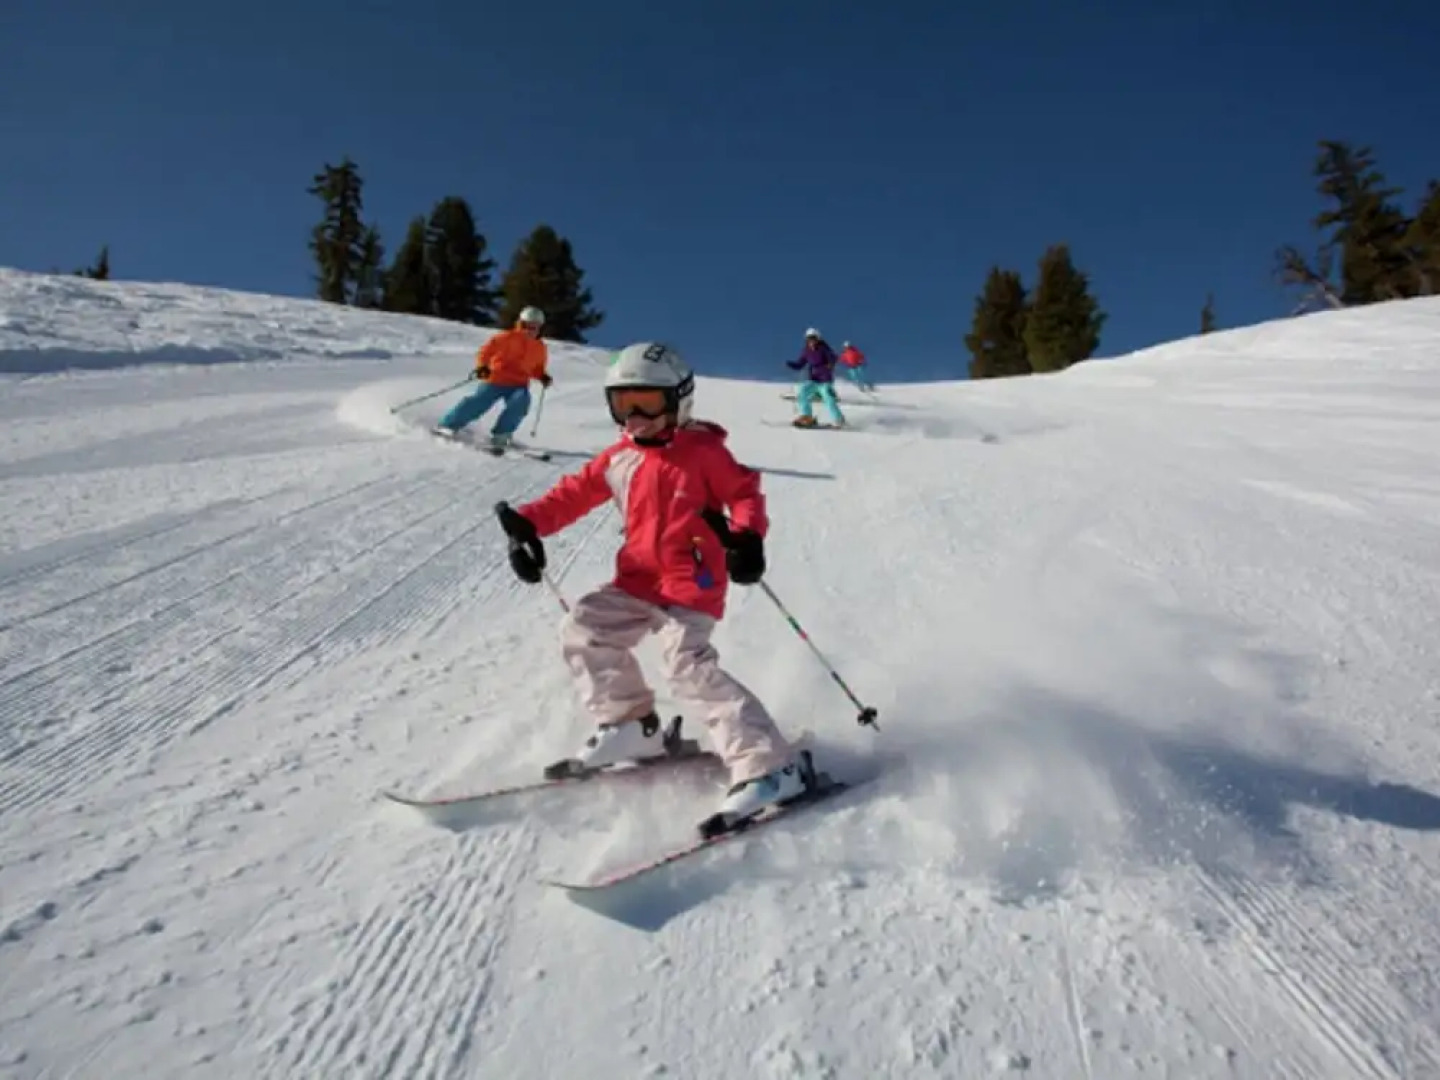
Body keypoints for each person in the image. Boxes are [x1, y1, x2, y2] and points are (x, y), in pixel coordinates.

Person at [493, 341, 816, 832]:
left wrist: (747, 538)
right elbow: (573, 494)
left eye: (647, 401)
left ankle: (771, 767)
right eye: (623, 403)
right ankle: (632, 726)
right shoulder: (618, 458)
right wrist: (528, 524)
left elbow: (743, 492)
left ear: (679, 401)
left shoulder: (703, 452)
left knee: (686, 668)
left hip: (692, 583)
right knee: (584, 629)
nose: (635, 415)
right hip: (637, 579)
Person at [434, 306, 553, 448]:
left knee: (521, 402)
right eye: (529, 326)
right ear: (521, 324)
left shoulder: (540, 347)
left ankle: (502, 435)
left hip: (518, 384)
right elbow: (486, 352)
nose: (532, 330)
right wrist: (482, 366)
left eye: (536, 327)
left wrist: (543, 376)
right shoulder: (506, 337)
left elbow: (537, 368)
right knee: (478, 402)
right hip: (496, 379)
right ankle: (448, 425)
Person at [786, 328, 845, 428]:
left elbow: (833, 357)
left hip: (825, 379)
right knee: (803, 392)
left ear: (818, 338)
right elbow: (800, 364)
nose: (811, 341)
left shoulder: (823, 348)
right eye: (809, 339)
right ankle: (807, 417)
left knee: (828, 398)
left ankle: (838, 419)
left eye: (813, 338)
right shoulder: (806, 351)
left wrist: (831, 363)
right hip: (814, 379)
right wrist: (792, 365)